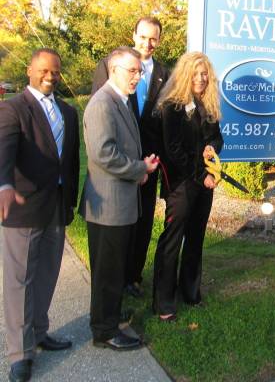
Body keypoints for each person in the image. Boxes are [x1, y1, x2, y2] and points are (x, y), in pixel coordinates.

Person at [0, 48, 79, 382]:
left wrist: (72, 199)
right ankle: (19, 353)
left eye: (56, 72)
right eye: (44, 71)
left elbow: (71, 159)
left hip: (57, 205)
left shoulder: (68, 112)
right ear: (30, 70)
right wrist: (3, 183)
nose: (50, 77)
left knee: (47, 272)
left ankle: (40, 331)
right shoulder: (12, 108)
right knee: (20, 281)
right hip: (24, 206)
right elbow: (3, 147)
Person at [79, 46, 158, 351]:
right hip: (108, 207)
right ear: (113, 70)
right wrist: (139, 169)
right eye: (132, 71)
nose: (138, 77)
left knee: (114, 268)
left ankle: (107, 315)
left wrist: (141, 166)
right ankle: (105, 331)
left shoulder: (121, 101)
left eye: (139, 71)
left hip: (119, 203)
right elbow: (103, 153)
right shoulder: (103, 103)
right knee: (108, 272)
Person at [91, 17, 170, 298]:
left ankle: (133, 277)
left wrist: (155, 161)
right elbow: (102, 112)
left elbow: (165, 119)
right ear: (133, 35)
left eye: (153, 39)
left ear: (159, 41)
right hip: (120, 161)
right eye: (142, 37)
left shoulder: (164, 73)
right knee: (118, 224)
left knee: (143, 220)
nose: (147, 44)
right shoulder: (112, 64)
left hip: (149, 160)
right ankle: (115, 278)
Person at [152, 52, 223, 321]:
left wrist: (212, 147)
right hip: (182, 184)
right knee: (172, 240)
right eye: (195, 73)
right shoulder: (171, 106)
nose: (201, 78)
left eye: (204, 73)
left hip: (204, 183)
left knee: (196, 238)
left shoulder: (208, 105)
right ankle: (164, 302)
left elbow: (218, 139)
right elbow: (172, 150)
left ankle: (191, 292)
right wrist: (199, 175)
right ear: (184, 75)